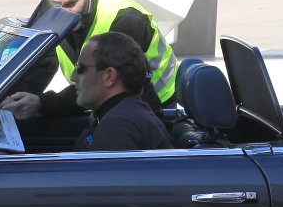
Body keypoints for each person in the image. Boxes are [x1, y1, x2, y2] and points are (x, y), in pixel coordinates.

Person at [1, 0, 177, 121]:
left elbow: (100, 84)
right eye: (56, 6)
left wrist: (42, 103)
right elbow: (41, 62)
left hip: (151, 104)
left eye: (71, 3)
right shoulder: (54, 10)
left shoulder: (125, 18)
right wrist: (9, 99)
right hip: (100, 100)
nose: (64, 13)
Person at [11, 32, 171, 152]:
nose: (73, 77)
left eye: (81, 68)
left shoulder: (119, 126)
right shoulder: (121, 114)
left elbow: (105, 185)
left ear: (109, 76)